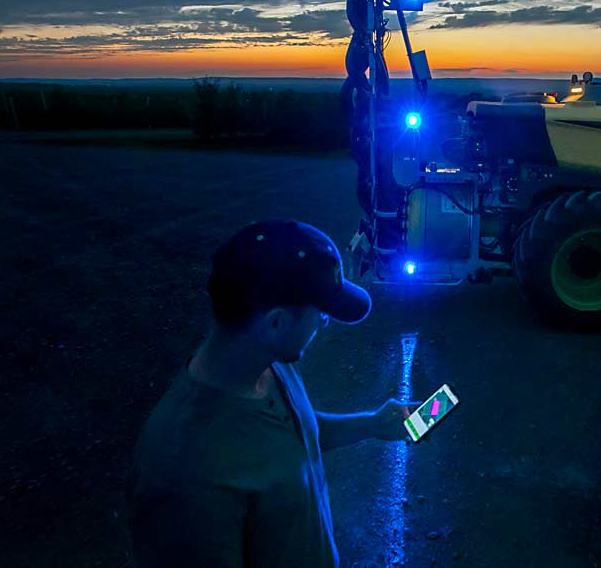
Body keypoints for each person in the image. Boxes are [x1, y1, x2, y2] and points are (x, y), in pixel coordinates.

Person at [126, 219, 416, 567]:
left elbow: (292, 433)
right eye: (320, 313)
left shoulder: (270, 363)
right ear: (275, 323)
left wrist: (372, 424)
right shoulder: (184, 474)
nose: (324, 323)